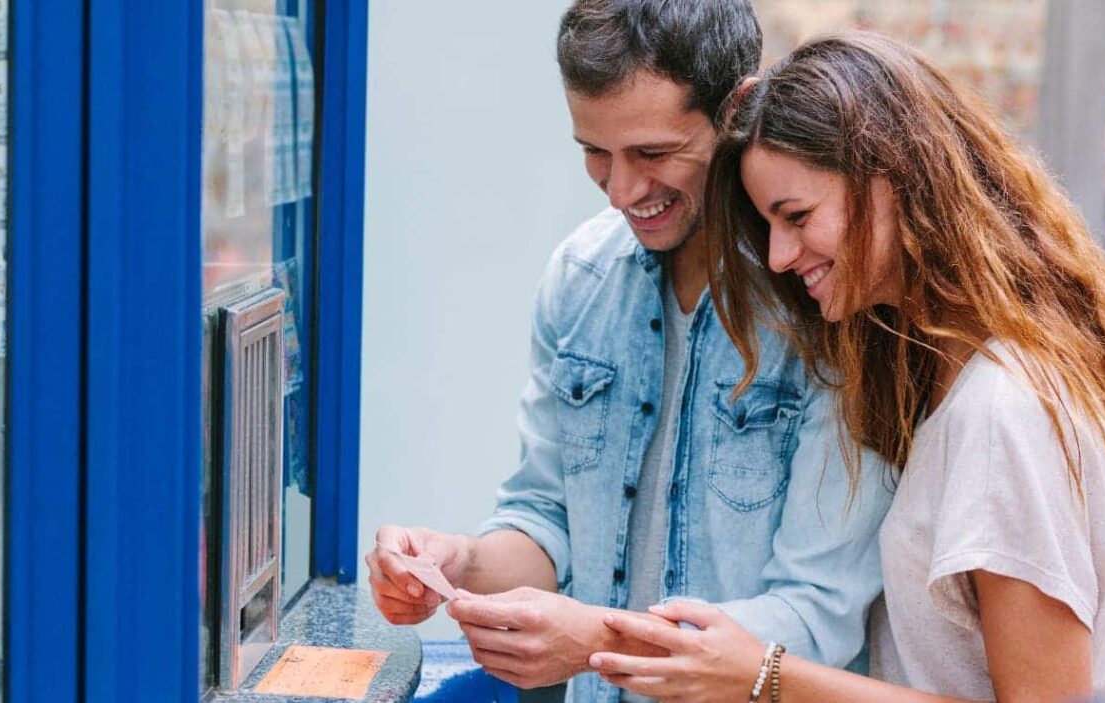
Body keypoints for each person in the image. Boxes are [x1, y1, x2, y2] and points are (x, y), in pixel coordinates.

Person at [365, 3, 892, 701]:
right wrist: (456, 563)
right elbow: (547, 519)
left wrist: (597, 641)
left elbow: (817, 618)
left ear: (737, 110)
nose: (621, 192)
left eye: (653, 153)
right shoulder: (579, 279)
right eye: (594, 152)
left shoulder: (827, 302)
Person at [590, 32, 1105, 702]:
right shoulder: (948, 372)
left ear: (896, 180)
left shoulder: (1003, 409)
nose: (782, 256)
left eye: (798, 216)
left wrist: (764, 672)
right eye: (769, 226)